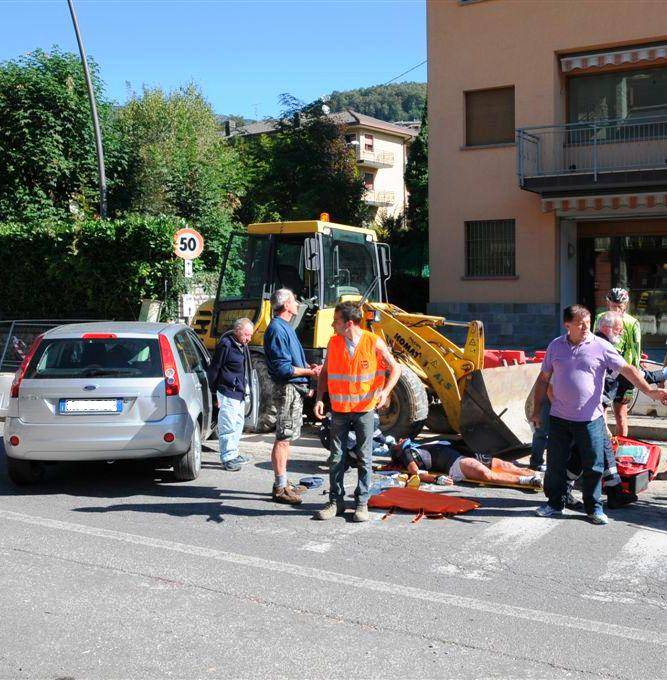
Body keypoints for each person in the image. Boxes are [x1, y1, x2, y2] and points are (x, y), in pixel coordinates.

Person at [531, 305, 667, 525]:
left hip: (590, 419)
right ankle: (555, 504)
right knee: (555, 463)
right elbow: (543, 379)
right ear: (567, 325)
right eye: (580, 323)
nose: (586, 327)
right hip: (559, 418)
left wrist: (650, 391)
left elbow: (628, 370)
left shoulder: (601, 346)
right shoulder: (555, 346)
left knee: (594, 465)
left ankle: (594, 508)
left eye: (588, 322)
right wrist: (536, 411)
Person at [313, 301, 401, 522]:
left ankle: (362, 503)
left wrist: (385, 392)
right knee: (336, 457)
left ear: (348, 323)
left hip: (364, 410)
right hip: (340, 409)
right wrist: (319, 398)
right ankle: (336, 502)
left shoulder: (373, 342)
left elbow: (396, 368)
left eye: (336, 321)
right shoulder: (334, 343)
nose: (333, 325)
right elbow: (325, 373)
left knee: (365, 457)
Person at [264, 288, 322, 505]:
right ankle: (280, 488)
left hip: (292, 388)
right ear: (286, 305)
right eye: (295, 300)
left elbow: (291, 361)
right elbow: (283, 368)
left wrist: (307, 368)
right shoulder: (278, 330)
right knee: (283, 439)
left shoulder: (284, 328)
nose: (298, 303)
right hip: (287, 389)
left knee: (286, 439)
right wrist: (310, 372)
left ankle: (282, 483)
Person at [384, 439, 543, 488]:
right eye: (397, 443)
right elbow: (416, 473)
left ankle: (540, 475)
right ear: (397, 451)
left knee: (507, 466)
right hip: (454, 462)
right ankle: (527, 481)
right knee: (485, 474)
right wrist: (435, 479)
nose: (399, 440)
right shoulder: (406, 453)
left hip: (465, 453)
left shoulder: (418, 443)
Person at [207, 318, 254, 471]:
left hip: (239, 393)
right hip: (227, 392)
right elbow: (214, 369)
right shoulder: (226, 345)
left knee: (238, 424)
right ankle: (227, 457)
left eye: (250, 335)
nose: (249, 339)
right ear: (237, 331)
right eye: (246, 335)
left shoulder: (243, 346)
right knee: (227, 425)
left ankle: (233, 453)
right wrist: (213, 393)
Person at [594, 288, 641, 437]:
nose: (616, 309)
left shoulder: (632, 322)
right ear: (608, 304)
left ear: (625, 305)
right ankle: (604, 447)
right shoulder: (600, 318)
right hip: (605, 372)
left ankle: (622, 450)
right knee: (601, 413)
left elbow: (636, 351)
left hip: (624, 373)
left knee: (621, 416)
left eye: (619, 306)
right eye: (613, 306)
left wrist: (634, 379)